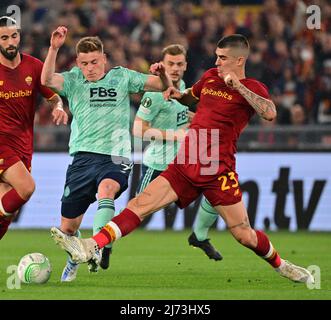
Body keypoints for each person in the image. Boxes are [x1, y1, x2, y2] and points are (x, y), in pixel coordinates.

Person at [51, 34, 314, 284]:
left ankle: (281, 265)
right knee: (140, 204)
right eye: (216, 56)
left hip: (217, 169)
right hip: (187, 161)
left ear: (239, 60)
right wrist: (172, 87)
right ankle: (91, 245)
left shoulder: (253, 88)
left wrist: (239, 88)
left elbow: (269, 113)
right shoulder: (211, 78)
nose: (216, 62)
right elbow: (188, 95)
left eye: (222, 58)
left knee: (243, 234)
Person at [42, 26, 172, 282]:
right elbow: (46, 80)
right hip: (82, 157)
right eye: (84, 63)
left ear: (104, 58)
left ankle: (97, 247)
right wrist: (54, 48)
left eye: (94, 61)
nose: (90, 67)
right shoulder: (73, 80)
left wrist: (163, 74)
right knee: (68, 227)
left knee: (108, 189)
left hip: (116, 155)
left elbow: (160, 85)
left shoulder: (122, 77)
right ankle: (75, 255)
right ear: (78, 63)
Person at [133, 43, 222, 261]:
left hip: (184, 162)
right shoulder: (153, 93)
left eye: (179, 64)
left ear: (185, 66)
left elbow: (182, 116)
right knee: (137, 212)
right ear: (162, 65)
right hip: (157, 165)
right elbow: (138, 130)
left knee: (217, 188)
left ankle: (199, 235)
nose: (175, 68)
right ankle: (105, 245)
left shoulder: (184, 89)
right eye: (170, 63)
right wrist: (175, 135)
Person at [0, 16, 67, 240]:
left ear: (19, 36)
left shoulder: (33, 66)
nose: (10, 42)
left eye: (14, 36)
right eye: (4, 38)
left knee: (10, 207)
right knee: (26, 187)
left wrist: (59, 106)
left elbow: (53, 96)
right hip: (2, 143)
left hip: (23, 146)